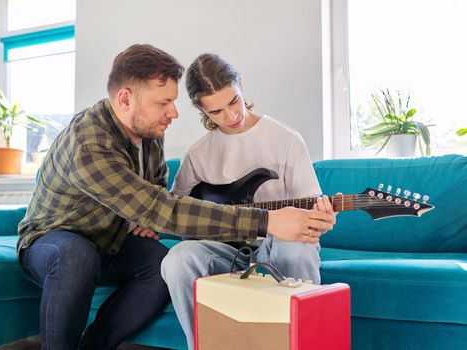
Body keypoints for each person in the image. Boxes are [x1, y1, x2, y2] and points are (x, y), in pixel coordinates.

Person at [17, 44, 335, 350]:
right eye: (164, 102)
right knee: (78, 257)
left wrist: (143, 219)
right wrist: (267, 221)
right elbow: (164, 207)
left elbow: (155, 196)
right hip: (55, 242)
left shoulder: (151, 133)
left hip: (110, 241)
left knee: (157, 262)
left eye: (173, 100)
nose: (174, 112)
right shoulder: (88, 144)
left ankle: (95, 346)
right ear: (125, 99)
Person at [161, 53, 337, 350]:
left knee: (297, 247)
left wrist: (321, 220)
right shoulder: (198, 155)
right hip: (226, 249)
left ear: (240, 83)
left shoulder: (285, 140)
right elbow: (178, 214)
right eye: (216, 111)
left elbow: (310, 215)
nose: (231, 116)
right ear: (200, 108)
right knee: (178, 258)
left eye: (234, 101)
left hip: (276, 243)